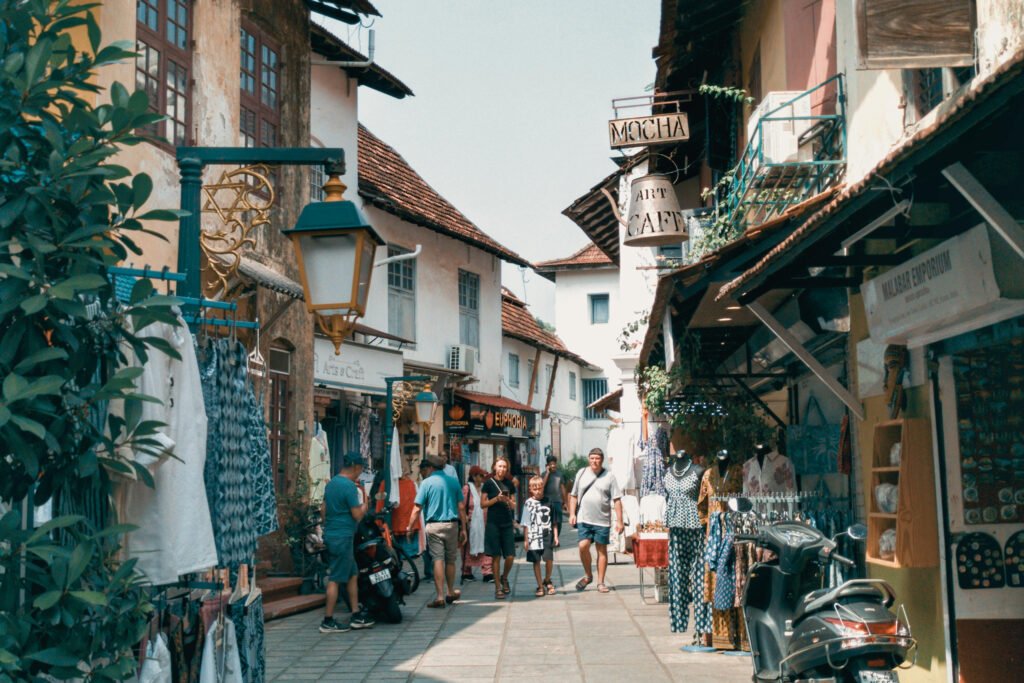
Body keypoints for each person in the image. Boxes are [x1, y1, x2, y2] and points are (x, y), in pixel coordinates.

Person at [319, 453, 375, 633]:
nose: (360, 473)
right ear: (356, 467)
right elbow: (357, 515)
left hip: (333, 534)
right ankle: (327, 620)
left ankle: (356, 614)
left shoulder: (332, 483)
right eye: (361, 469)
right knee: (335, 578)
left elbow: (323, 510)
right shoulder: (350, 487)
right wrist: (365, 505)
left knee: (352, 574)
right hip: (342, 537)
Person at [410, 454, 467, 608]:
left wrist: (410, 526)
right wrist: (464, 529)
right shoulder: (453, 482)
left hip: (434, 526)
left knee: (437, 559)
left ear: (430, 468)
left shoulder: (426, 483)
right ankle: (450, 591)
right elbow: (461, 507)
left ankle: (440, 596)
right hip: (452, 525)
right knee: (451, 560)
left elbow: (417, 508)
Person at [568, 447, 624, 594]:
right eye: (592, 458)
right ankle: (588, 575)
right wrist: (572, 513)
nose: (594, 461)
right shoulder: (581, 473)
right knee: (583, 546)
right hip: (584, 518)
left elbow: (617, 500)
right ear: (589, 459)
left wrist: (620, 521)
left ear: (602, 460)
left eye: (597, 458)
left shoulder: (609, 476)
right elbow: (573, 495)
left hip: (602, 520)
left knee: (601, 550)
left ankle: (600, 582)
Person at [482, 456, 517, 599]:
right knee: (495, 556)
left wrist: (507, 500)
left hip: (507, 523)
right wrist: (496, 499)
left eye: (504, 467)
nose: (502, 469)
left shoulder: (509, 483)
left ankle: (504, 577)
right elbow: (482, 504)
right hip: (493, 523)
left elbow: (514, 505)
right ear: (494, 467)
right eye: (500, 466)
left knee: (510, 556)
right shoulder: (488, 483)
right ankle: (497, 587)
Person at [520, 475, 558, 596]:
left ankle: (547, 579)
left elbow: (554, 522)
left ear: (543, 487)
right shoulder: (528, 503)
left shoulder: (549, 501)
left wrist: (556, 536)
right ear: (531, 489)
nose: (537, 491)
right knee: (536, 561)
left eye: (539, 488)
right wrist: (526, 539)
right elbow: (525, 523)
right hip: (533, 536)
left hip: (547, 535)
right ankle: (540, 586)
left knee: (549, 559)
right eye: (535, 489)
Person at [461, 465, 493, 583]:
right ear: (474, 477)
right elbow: (461, 506)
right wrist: (464, 519)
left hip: (485, 523)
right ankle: (466, 572)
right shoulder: (467, 489)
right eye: (481, 476)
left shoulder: (485, 488)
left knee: (486, 547)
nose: (483, 478)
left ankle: (487, 572)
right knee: (467, 547)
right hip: (471, 524)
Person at [542, 455, 567, 545]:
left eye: (554, 463)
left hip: (557, 501)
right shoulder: (543, 474)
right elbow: (542, 486)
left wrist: (565, 502)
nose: (553, 465)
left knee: (558, 522)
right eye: (551, 464)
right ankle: (549, 539)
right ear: (547, 465)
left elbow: (563, 488)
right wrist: (547, 473)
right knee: (548, 522)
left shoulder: (560, 474)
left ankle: (555, 539)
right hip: (546, 502)